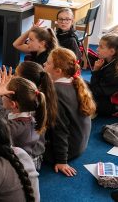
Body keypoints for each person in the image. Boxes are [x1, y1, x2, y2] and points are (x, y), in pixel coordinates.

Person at [0, 67, 47, 170]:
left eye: (3, 95)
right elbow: (2, 112)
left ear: (13, 104)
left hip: (20, 167)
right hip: (30, 156)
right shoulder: (31, 110)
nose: (1, 96)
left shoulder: (14, 127)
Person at [43, 47, 96, 177]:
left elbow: (60, 129)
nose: (44, 64)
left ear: (58, 71)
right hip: (79, 144)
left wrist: (61, 161)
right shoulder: (74, 81)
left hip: (68, 150)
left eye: (48, 63)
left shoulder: (55, 92)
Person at [16, 61, 58, 129]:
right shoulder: (44, 95)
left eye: (16, 74)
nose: (13, 77)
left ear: (26, 82)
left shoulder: (27, 102)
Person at [89, 32, 118, 116]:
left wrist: (96, 71)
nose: (97, 49)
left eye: (101, 47)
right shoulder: (106, 61)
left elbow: (97, 91)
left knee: (82, 99)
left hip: (111, 104)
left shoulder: (114, 71)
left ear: (112, 51)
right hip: (104, 94)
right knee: (79, 84)